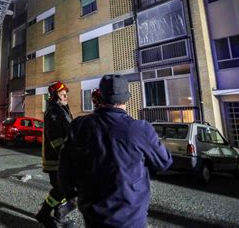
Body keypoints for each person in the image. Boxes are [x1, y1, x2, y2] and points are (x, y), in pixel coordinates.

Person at [59, 74, 173, 228]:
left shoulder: (79, 125)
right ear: (126, 98)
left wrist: (71, 194)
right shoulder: (140, 129)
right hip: (130, 216)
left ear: (101, 96)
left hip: (92, 213)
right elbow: (164, 162)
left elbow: (64, 165)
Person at [35, 81, 76, 228]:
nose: (66, 95)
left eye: (66, 93)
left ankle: (46, 214)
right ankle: (56, 215)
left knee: (59, 191)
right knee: (68, 190)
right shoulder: (54, 111)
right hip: (57, 161)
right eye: (62, 93)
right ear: (54, 95)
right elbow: (56, 139)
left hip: (61, 160)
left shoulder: (61, 109)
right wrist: (67, 156)